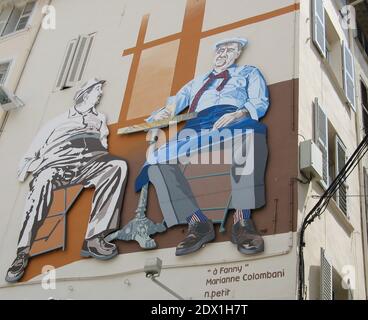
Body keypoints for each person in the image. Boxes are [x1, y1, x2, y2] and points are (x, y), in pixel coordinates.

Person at [135, 38, 270, 256]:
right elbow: (173, 106)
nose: (222, 53)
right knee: (155, 161)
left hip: (230, 119)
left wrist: (238, 113)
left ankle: (241, 220)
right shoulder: (196, 82)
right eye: (220, 49)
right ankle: (197, 223)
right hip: (196, 125)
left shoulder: (248, 72)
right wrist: (160, 115)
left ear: (237, 54)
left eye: (229, 50)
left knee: (252, 135)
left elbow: (259, 101)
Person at [5, 79, 128, 283]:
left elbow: (103, 143)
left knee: (117, 166)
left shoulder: (99, 119)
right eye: (97, 90)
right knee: (41, 180)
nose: (100, 94)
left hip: (90, 161)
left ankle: (94, 238)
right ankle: (22, 252)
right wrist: (37, 165)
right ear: (85, 93)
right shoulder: (58, 121)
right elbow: (32, 152)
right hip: (60, 163)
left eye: (100, 90)